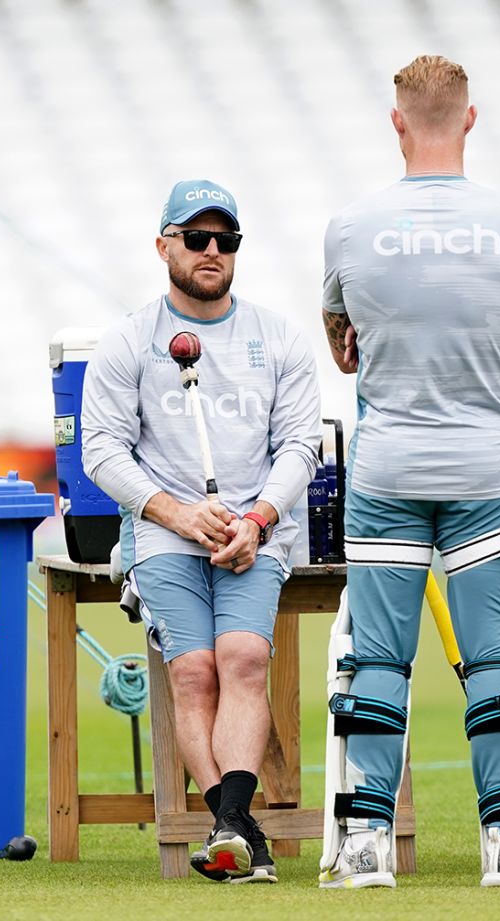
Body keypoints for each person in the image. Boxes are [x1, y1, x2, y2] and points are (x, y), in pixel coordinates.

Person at [318, 54, 500, 888]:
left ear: (396, 122)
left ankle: (364, 845)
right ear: (469, 118)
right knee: (495, 660)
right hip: (490, 463)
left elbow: (342, 342)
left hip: (388, 463)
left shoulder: (351, 226)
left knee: (378, 659)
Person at [81, 179, 322, 884]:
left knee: (244, 659)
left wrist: (256, 519)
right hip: (164, 535)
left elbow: (300, 446)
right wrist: (175, 511)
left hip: (253, 535)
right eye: (195, 237)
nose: (211, 250)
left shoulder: (278, 336)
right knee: (194, 672)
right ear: (164, 246)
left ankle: (229, 830)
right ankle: (238, 829)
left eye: (226, 239)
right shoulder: (130, 339)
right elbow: (100, 449)